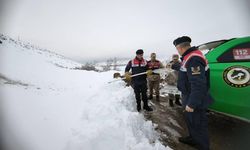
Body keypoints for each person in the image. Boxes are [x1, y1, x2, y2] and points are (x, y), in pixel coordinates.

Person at [173, 36, 212, 150]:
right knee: (191, 120)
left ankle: (203, 146)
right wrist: (174, 65)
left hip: (194, 98)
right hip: (189, 95)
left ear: (180, 48)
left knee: (198, 124)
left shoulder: (193, 59)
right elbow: (184, 68)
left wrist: (192, 103)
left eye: (177, 49)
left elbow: (198, 84)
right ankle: (193, 138)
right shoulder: (189, 57)